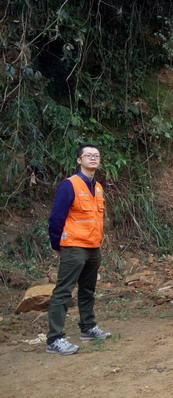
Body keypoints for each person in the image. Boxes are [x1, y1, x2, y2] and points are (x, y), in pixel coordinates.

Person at [46, 144, 112, 355]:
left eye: (96, 155)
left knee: (88, 289)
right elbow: (56, 218)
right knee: (64, 291)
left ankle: (88, 327)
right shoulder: (70, 185)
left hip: (93, 246)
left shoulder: (98, 187)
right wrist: (57, 244)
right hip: (74, 246)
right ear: (79, 160)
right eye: (88, 155)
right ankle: (54, 338)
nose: (93, 158)